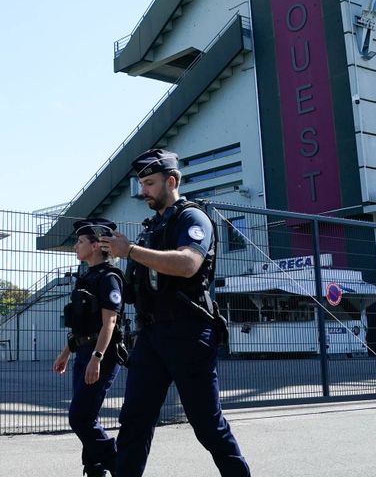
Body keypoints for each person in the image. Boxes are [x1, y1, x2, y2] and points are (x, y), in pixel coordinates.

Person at [102, 149, 251, 477]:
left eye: (150, 183)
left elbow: (187, 264)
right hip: (151, 335)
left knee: (207, 423)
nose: (143, 191)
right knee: (134, 419)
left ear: (171, 181)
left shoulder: (192, 218)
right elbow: (136, 288)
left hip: (188, 332)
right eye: (142, 184)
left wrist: (131, 251)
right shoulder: (151, 228)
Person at [53, 218, 126, 477]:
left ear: (95, 246)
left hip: (102, 354)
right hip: (84, 352)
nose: (76, 246)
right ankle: (94, 469)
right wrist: (65, 353)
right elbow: (80, 326)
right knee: (87, 416)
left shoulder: (109, 278)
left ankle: (120, 466)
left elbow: (110, 322)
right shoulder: (86, 277)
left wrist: (97, 357)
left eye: (81, 241)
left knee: (79, 417)